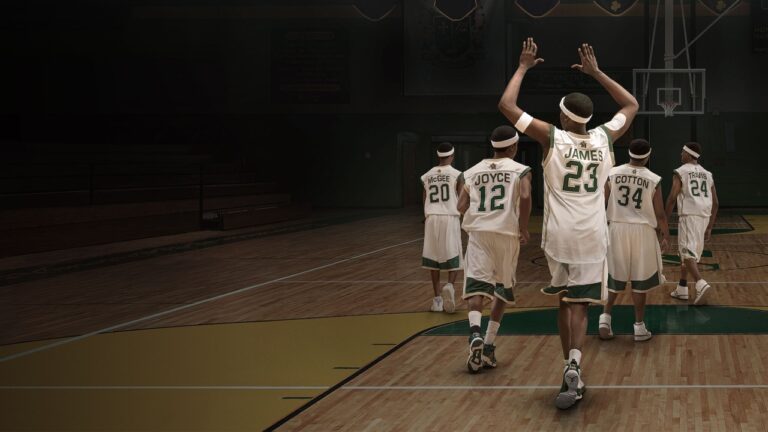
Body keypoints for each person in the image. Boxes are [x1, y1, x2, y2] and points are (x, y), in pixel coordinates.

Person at [498, 38, 638, 409]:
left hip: (560, 236)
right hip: (593, 233)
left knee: (564, 301)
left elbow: (507, 106)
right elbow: (631, 104)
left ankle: (568, 364)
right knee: (582, 303)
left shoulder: (552, 137)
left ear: (562, 117)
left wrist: (524, 66)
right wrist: (596, 72)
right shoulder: (605, 137)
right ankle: (576, 364)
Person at [457, 125, 532, 373]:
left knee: (477, 285)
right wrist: (523, 227)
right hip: (506, 234)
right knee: (502, 289)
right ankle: (488, 345)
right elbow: (525, 195)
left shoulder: (472, 171)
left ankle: (475, 332)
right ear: (513, 147)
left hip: (479, 232)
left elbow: (460, 205)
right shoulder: (521, 170)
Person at [599, 138, 670, 342]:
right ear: (648, 156)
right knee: (640, 282)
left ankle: (605, 318)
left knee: (614, 276)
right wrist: (666, 234)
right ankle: (639, 327)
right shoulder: (653, 178)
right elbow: (660, 214)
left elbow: (602, 203)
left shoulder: (612, 173)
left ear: (629, 153)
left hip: (617, 228)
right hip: (643, 232)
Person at [666, 142, 719, 305]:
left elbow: (672, 197)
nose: (680, 155)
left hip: (689, 215)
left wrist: (664, 222)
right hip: (704, 216)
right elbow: (716, 202)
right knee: (689, 254)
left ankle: (700, 283)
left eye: (682, 152)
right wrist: (710, 226)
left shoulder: (680, 171)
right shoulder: (708, 174)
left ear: (689, 155)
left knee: (687, 254)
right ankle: (682, 288)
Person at [421, 142, 463, 313]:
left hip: (431, 218)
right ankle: (450, 287)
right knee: (454, 256)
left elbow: (424, 200)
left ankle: (437, 300)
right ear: (452, 156)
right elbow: (461, 200)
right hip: (450, 217)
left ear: (438, 156)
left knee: (433, 259)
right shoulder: (457, 175)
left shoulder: (426, 176)